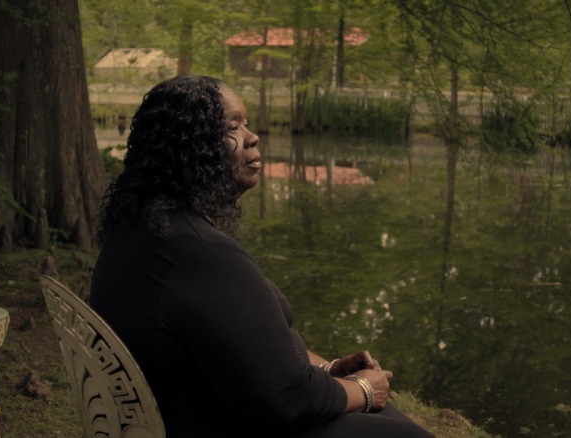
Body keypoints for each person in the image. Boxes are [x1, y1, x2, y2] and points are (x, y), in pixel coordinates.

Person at [90, 75, 432, 438]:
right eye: (232, 126)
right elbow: (291, 398)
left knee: (386, 415)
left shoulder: (144, 230)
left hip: (196, 410)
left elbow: (247, 347)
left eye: (247, 123)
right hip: (220, 423)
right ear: (186, 146)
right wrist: (364, 389)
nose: (253, 137)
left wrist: (330, 367)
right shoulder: (198, 253)